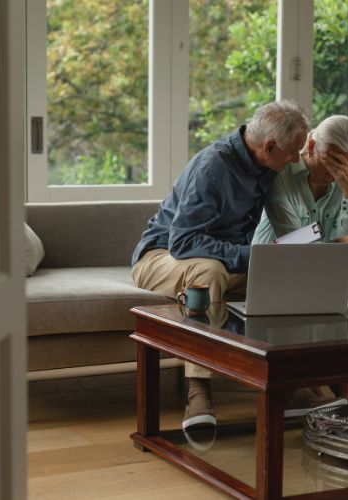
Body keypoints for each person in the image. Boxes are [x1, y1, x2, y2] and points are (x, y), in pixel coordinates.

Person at [131, 100, 310, 431]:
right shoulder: (213, 168)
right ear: (270, 146)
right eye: (293, 153)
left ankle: (290, 387)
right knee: (209, 271)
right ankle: (198, 390)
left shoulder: (268, 164)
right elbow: (183, 242)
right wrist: (250, 256)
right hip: (159, 256)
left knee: (280, 274)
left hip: (220, 258)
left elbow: (307, 179)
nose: (296, 159)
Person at [252, 114, 348, 401]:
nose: (338, 170)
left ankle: (344, 379)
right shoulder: (283, 174)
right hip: (277, 259)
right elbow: (294, 241)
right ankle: (310, 377)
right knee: (342, 264)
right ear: (310, 146)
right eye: (332, 160)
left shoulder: (346, 180)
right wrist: (336, 245)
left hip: (320, 261)